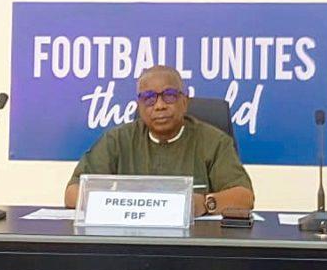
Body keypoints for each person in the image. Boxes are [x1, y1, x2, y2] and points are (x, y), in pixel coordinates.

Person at [65, 65, 254, 216]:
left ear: (184, 102)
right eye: (149, 98)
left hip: (194, 244)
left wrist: (205, 204)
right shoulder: (117, 140)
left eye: (169, 96)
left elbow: (244, 197)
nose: (160, 106)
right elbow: (72, 193)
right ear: (139, 106)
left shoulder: (214, 141)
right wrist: (119, 204)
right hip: (131, 240)